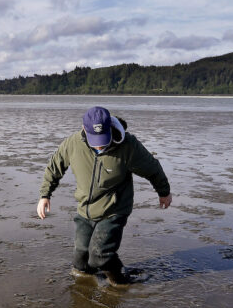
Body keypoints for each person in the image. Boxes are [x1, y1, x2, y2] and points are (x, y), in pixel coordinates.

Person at [37, 106, 172, 286]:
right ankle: (87, 286)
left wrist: (164, 192)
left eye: (103, 139)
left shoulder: (128, 146)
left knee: (99, 254)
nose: (100, 144)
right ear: (84, 129)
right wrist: (45, 195)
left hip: (113, 210)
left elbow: (152, 168)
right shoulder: (73, 143)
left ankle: (121, 281)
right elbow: (55, 166)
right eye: (95, 139)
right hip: (85, 209)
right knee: (81, 262)